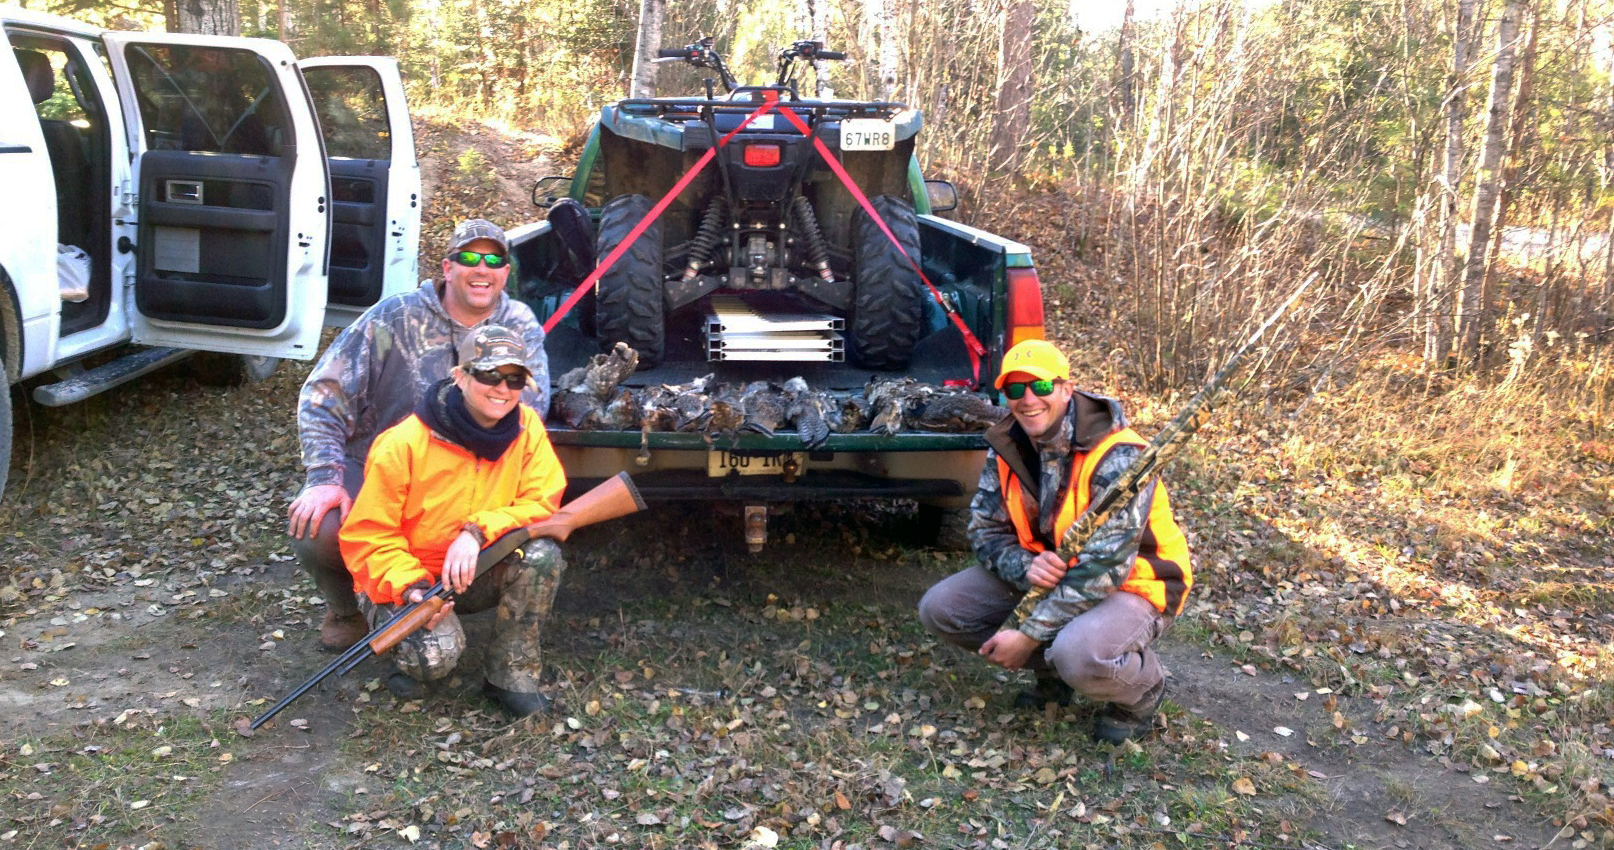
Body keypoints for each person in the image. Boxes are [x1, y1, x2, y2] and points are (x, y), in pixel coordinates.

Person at [289, 219, 550, 654]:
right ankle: (349, 608)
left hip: (477, 472)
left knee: (529, 536)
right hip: (382, 465)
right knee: (319, 524)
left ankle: (460, 612)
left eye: (494, 260)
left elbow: (529, 415)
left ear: (506, 272)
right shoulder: (395, 316)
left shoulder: (519, 322)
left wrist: (477, 517)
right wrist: (324, 476)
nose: (482, 268)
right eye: (469, 257)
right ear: (447, 267)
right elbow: (323, 394)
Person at [917, 339, 1193, 743]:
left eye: (1041, 386)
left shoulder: (1121, 455)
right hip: (1051, 575)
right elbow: (984, 529)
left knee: (1078, 654)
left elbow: (1105, 569)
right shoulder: (1007, 444)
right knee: (942, 609)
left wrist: (1027, 636)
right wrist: (1025, 566)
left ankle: (1142, 688)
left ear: (1067, 389)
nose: (1028, 399)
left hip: (1136, 584)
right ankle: (1055, 673)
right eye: (1015, 388)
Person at [339, 325, 566, 716]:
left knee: (543, 555)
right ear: (460, 376)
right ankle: (407, 655)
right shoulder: (403, 443)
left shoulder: (527, 428)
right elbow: (369, 534)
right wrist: (411, 587)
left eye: (514, 379)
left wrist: (476, 531)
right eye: (490, 375)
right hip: (408, 581)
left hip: (475, 567)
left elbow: (543, 501)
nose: (503, 389)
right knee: (433, 657)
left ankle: (510, 677)